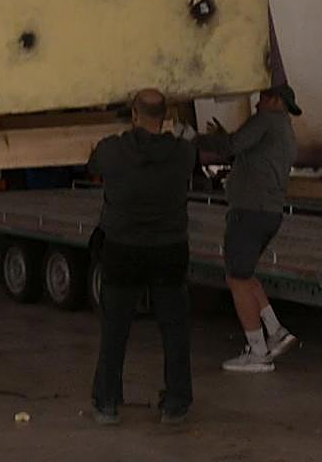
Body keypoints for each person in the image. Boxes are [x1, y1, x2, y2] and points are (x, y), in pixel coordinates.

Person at [89, 89, 195, 426]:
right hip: (169, 250)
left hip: (123, 248)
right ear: (164, 117)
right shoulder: (183, 154)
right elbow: (191, 142)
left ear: (134, 114)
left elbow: (92, 164)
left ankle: (107, 403)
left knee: (115, 329)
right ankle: (176, 403)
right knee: (174, 329)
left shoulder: (112, 150)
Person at [196, 85, 300, 373]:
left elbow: (232, 145)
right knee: (247, 274)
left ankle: (257, 352)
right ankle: (275, 330)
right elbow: (244, 150)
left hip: (249, 212)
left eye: (263, 97)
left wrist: (194, 139)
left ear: (277, 100)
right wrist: (224, 138)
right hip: (268, 213)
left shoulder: (266, 120)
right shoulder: (284, 131)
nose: (257, 103)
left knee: (236, 278)